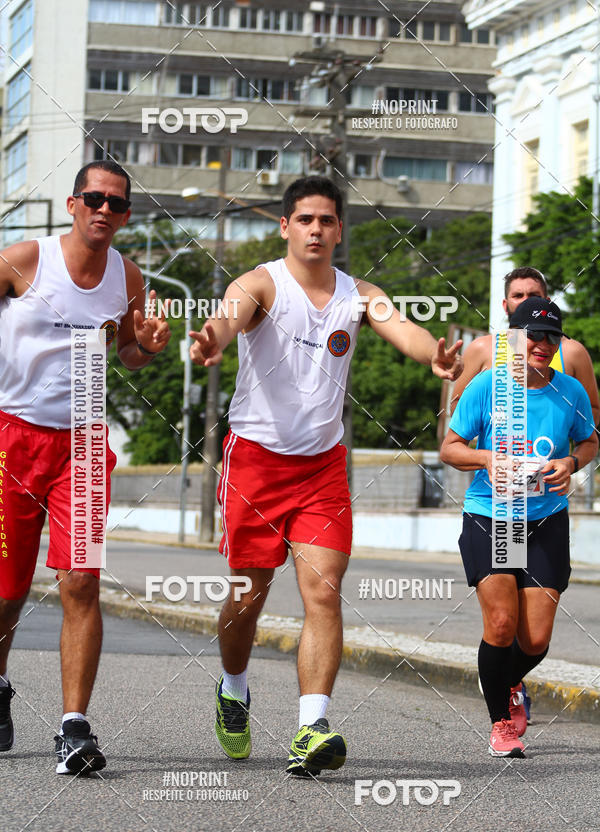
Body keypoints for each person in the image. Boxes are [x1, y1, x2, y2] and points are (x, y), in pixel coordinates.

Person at [189, 175, 463, 776]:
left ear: (339, 229)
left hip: (321, 467)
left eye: (327, 221)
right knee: (247, 595)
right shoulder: (260, 283)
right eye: (305, 219)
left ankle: (311, 725)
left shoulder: (359, 292)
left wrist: (434, 356)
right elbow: (228, 318)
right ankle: (234, 688)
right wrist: (209, 340)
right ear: (285, 226)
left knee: (323, 589)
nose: (316, 229)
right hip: (255, 461)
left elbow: (405, 330)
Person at [0, 161, 171, 774]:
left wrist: (147, 346)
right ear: (73, 204)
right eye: (95, 198)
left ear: (126, 215)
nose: (105, 209)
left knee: (82, 580)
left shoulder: (126, 275)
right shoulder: (23, 258)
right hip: (11, 438)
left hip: (84, 443)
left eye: (117, 204)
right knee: (7, 590)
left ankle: (73, 725)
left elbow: (127, 351)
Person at [440, 297, 597, 757]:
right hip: (494, 515)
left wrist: (571, 462)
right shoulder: (488, 386)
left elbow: (590, 440)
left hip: (545, 518)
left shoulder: (570, 391)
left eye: (552, 336)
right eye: (534, 335)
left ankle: (506, 680)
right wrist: (487, 457)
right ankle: (500, 724)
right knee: (503, 624)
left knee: (536, 639)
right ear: (514, 339)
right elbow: (451, 448)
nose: (544, 345)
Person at [450, 266, 599, 423]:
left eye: (534, 295)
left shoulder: (572, 351)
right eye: (518, 295)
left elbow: (593, 410)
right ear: (505, 305)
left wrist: (557, 426)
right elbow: (456, 405)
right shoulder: (482, 348)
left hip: (550, 447)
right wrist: (497, 424)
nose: (526, 301)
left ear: (547, 302)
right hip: (494, 447)